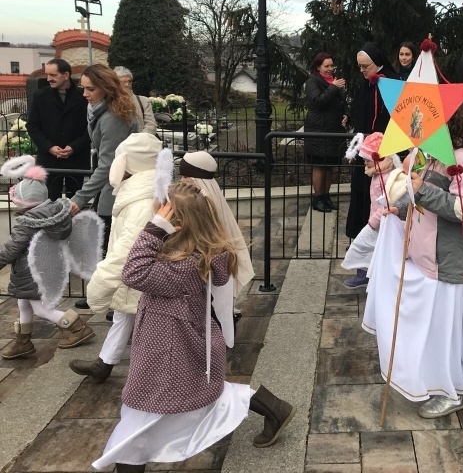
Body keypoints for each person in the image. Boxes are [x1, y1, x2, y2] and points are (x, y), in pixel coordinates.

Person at [91, 182, 295, 472]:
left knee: (140, 417)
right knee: (205, 394)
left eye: (162, 212)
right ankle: (275, 408)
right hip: (178, 344)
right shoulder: (195, 254)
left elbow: (133, 272)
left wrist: (154, 229)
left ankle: (276, 409)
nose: (155, 215)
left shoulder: (183, 265)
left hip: (167, 353)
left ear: (178, 223)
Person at [363, 108, 463, 418]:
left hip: (447, 259)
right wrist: (397, 209)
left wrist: (420, 189)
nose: (414, 131)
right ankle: (439, 378)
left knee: (444, 330)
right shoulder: (422, 153)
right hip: (423, 254)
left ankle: (453, 391)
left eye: (420, 125)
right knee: (435, 327)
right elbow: (412, 198)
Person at [69, 133, 164, 383]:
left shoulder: (141, 202)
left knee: (149, 323)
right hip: (140, 275)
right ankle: (105, 363)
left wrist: (100, 285)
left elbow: (127, 249)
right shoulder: (143, 192)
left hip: (142, 275)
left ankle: (158, 377)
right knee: (126, 313)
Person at [0, 157, 95, 359]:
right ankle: (23, 342)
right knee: (23, 303)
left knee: (41, 309)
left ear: (22, 201)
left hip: (30, 271)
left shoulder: (27, 222)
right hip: (43, 267)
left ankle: (78, 328)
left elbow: (12, 248)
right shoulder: (54, 215)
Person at [69, 64, 137, 310]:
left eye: (90, 89)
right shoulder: (102, 111)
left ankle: (114, 302)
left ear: (106, 89)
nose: (85, 93)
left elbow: (108, 164)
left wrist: (79, 197)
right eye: (83, 88)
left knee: (114, 246)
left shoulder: (112, 118)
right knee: (108, 243)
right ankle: (107, 298)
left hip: (118, 186)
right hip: (111, 185)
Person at [179, 151, 256, 297]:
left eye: (186, 176)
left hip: (207, 274)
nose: (182, 180)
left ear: (196, 178)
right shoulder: (205, 197)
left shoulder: (201, 204)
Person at [346, 42, 397, 240]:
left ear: (377, 63)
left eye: (365, 66)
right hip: (365, 148)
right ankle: (359, 236)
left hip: (386, 148)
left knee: (382, 193)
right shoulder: (365, 84)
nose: (362, 70)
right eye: (359, 66)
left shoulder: (392, 82)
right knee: (360, 190)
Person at [26, 58, 90, 200]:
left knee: (76, 203)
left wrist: (74, 147)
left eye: (53, 75)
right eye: (47, 75)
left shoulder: (84, 96)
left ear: (66, 75)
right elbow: (32, 126)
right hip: (49, 160)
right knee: (49, 201)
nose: (49, 79)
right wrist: (49, 147)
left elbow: (91, 127)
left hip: (76, 159)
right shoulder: (40, 96)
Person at [340, 132, 399, 289]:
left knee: (362, 245)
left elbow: (386, 202)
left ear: (378, 158)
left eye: (367, 160)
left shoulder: (386, 178)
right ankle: (367, 275)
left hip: (380, 222)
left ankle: (366, 276)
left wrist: (373, 221)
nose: (365, 164)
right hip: (378, 220)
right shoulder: (378, 174)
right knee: (372, 248)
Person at [303, 53, 349, 213]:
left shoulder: (335, 81)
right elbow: (318, 102)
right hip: (318, 130)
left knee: (329, 166)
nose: (330, 69)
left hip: (334, 130)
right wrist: (333, 87)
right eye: (326, 66)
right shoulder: (312, 82)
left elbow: (344, 101)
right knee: (319, 165)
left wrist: (346, 115)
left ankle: (326, 196)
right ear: (318, 67)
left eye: (332, 65)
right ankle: (318, 198)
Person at [114, 67, 158, 135]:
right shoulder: (110, 101)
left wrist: (138, 140)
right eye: (123, 82)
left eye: (129, 81)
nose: (127, 84)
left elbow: (151, 125)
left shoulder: (143, 101)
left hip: (140, 141)